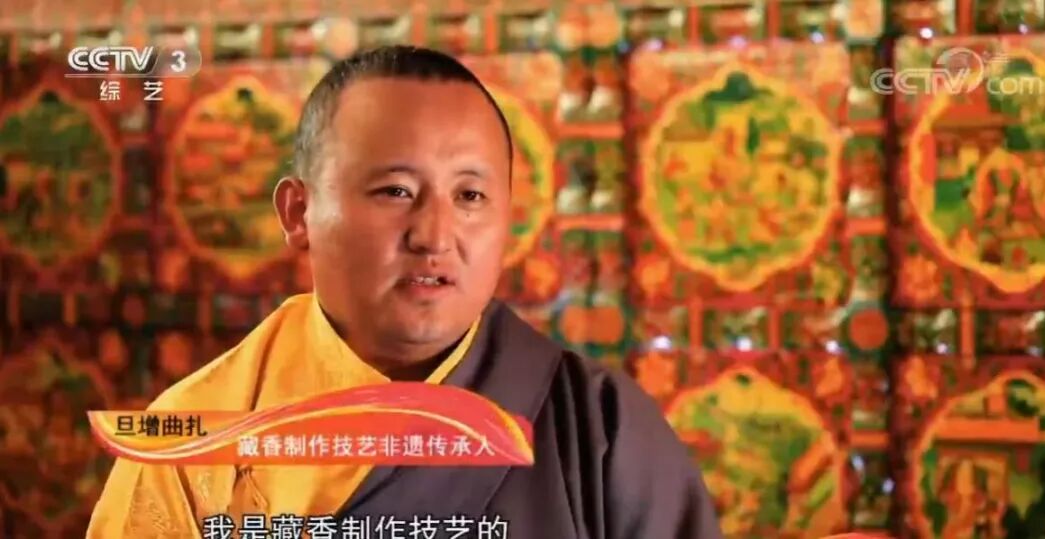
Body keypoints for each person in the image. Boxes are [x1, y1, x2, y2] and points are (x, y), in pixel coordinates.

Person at [88, 45, 720, 539]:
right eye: (395, 191)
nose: (434, 235)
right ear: (298, 213)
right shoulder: (191, 445)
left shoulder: (600, 430)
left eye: (470, 195)